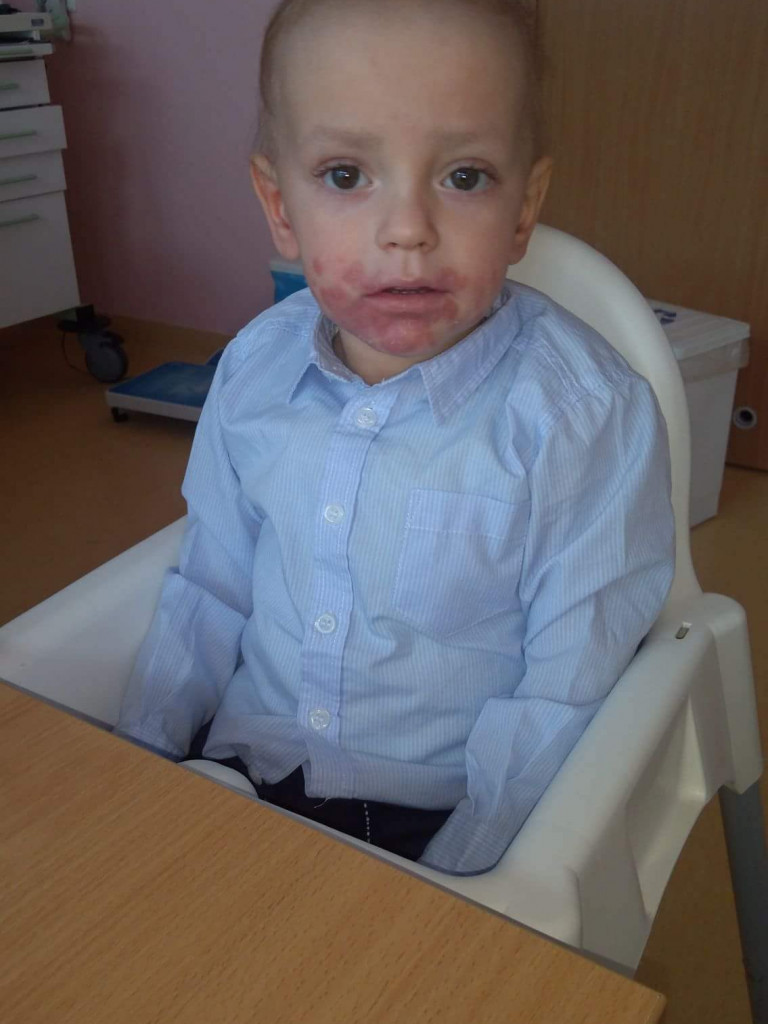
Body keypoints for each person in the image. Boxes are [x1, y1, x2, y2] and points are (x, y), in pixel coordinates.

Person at [115, 0, 675, 875]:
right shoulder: (255, 369)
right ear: (280, 206)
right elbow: (212, 584)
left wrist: (467, 875)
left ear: (523, 208)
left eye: (464, 176)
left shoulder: (583, 417)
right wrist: (135, 766)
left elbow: (569, 689)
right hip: (239, 768)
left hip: (436, 823)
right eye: (346, 175)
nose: (408, 228)